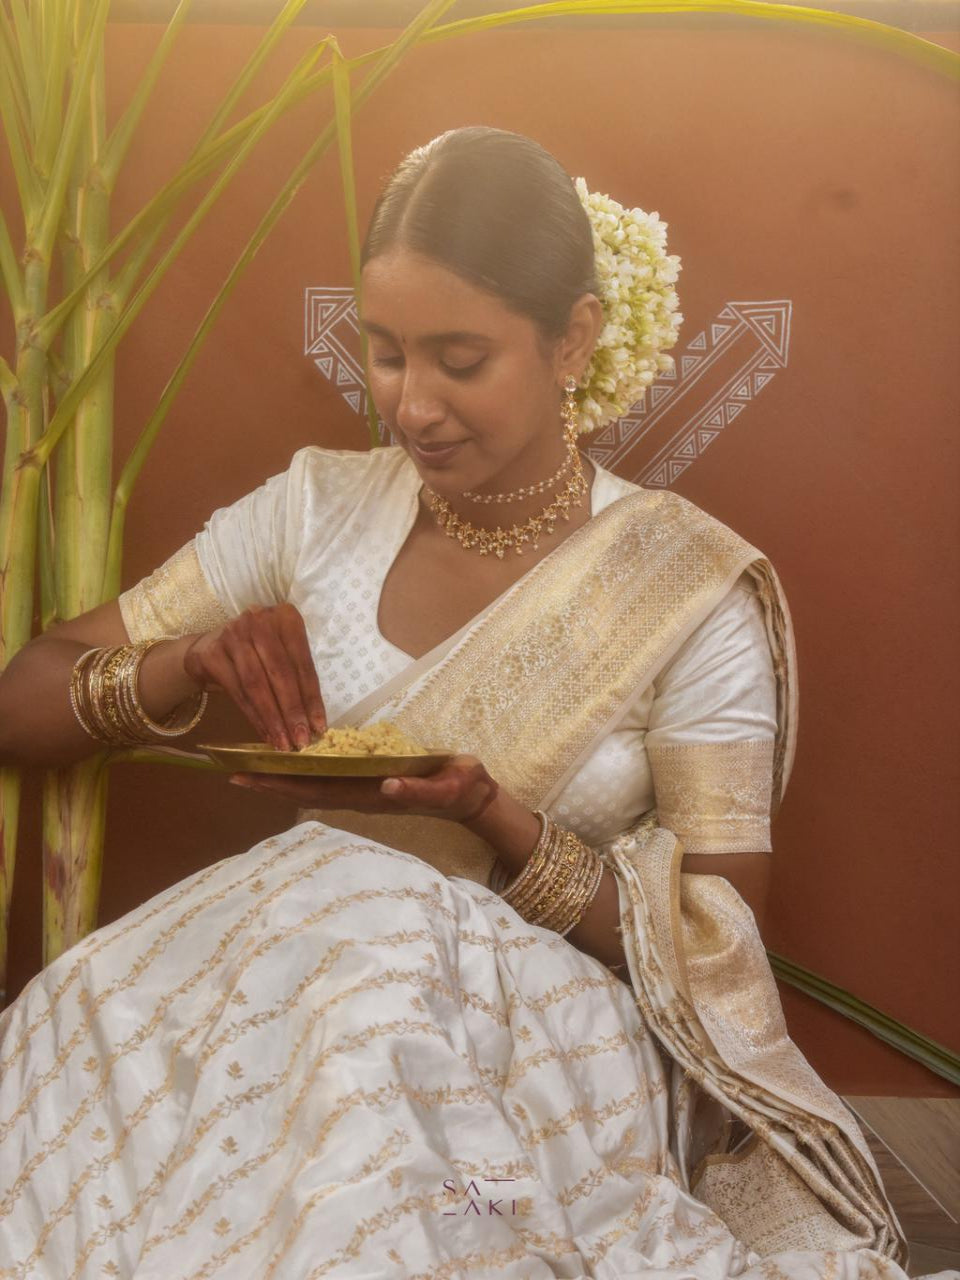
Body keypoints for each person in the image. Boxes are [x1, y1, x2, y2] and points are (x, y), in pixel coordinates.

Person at [0, 127, 920, 1279]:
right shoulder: (314, 510)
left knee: (371, 1068)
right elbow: (23, 699)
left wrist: (496, 816)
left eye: (460, 358)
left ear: (573, 337)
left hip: (531, 1044)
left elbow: (721, 947)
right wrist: (188, 663)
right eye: (385, 354)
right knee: (82, 1009)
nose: (413, 406)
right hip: (290, 973)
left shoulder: (683, 586)